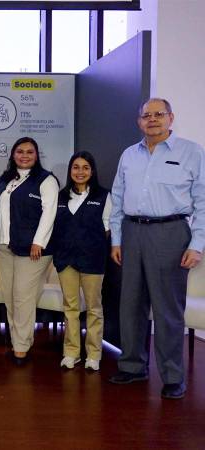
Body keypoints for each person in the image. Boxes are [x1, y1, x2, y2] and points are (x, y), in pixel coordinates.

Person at [108, 98, 205, 399]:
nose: (152, 120)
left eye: (159, 114)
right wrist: (117, 239)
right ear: (139, 122)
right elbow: (117, 198)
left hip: (171, 232)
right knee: (131, 305)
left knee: (167, 310)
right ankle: (133, 366)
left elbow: (202, 202)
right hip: (132, 233)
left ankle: (173, 376)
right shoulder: (129, 155)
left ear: (170, 118)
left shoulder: (191, 152)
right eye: (146, 115)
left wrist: (197, 244)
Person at [0, 137, 58, 365]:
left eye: (30, 152)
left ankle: (21, 348)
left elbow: (49, 213)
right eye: (20, 151)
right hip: (3, 246)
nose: (24, 155)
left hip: (32, 250)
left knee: (23, 298)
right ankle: (18, 340)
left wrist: (38, 241)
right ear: (13, 155)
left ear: (36, 155)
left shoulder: (46, 180)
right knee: (11, 298)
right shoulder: (5, 179)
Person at [52, 151, 111, 371]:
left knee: (94, 308)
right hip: (66, 259)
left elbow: (106, 229)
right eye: (76, 167)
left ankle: (94, 354)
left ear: (92, 171)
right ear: (70, 171)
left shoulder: (103, 196)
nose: (80, 172)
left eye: (85, 167)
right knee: (71, 307)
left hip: (93, 260)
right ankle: (71, 352)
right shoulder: (60, 196)